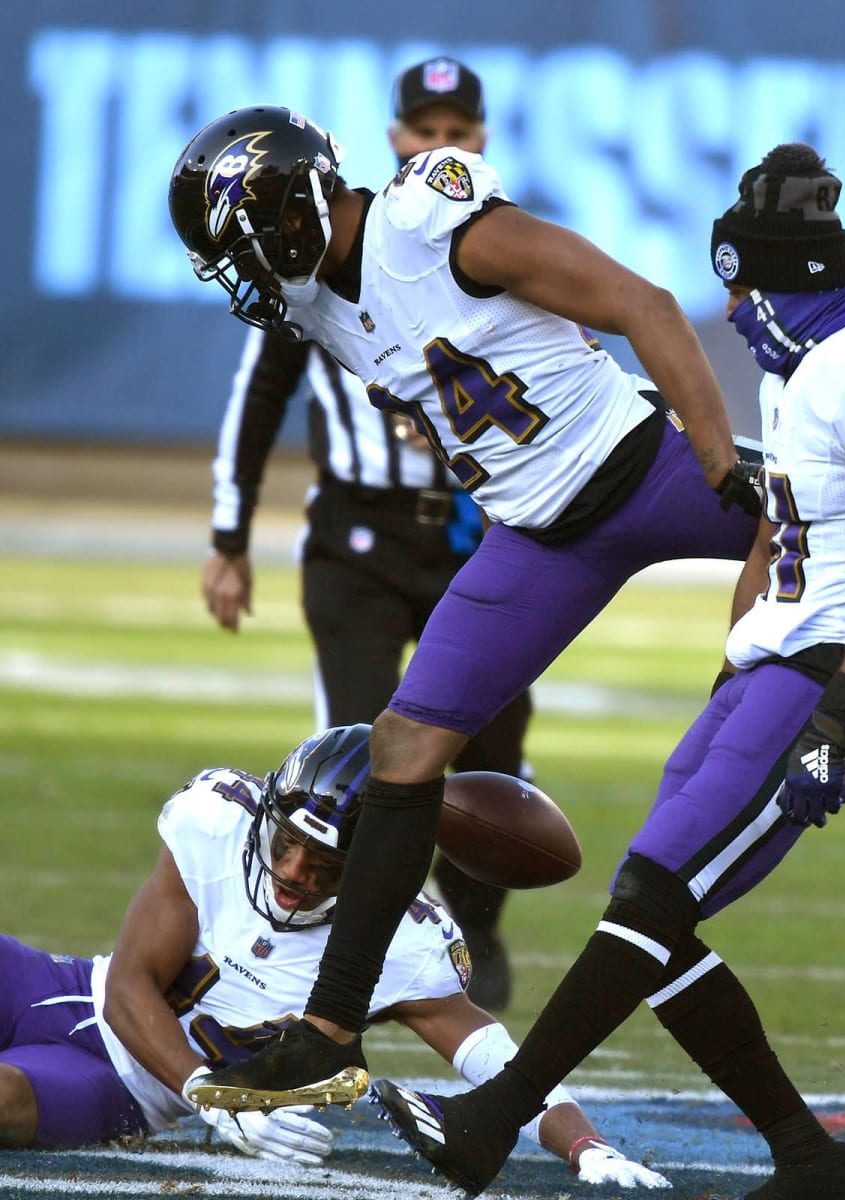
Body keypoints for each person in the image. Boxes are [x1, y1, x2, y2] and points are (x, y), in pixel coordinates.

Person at [365, 141, 845, 1200]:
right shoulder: (809, 369)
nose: (731, 317)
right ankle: (811, 1161)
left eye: (738, 293)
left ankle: (492, 1122)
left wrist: (833, 721)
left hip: (836, 686)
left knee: (649, 893)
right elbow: (781, 547)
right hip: (774, 673)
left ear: (774, 278)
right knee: (655, 912)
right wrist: (735, 669)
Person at [166, 101, 763, 1108]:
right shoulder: (315, 303)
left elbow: (646, 304)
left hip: (640, 465)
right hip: (535, 537)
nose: (253, 278)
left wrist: (719, 464)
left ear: (296, 208)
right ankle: (327, 1030)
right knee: (401, 750)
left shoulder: (428, 217)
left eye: (250, 248)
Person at [0, 724, 669, 1187]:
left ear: (373, 869)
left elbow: (504, 1065)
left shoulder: (403, 944)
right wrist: (214, 1096)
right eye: (285, 844)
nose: (293, 872)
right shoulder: (214, 822)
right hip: (63, 987)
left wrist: (585, 1145)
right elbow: (128, 990)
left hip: (120, 1087)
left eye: (325, 865)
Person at [201, 56, 522, 1012]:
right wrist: (229, 535)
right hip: (358, 541)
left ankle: (474, 934)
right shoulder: (320, 248)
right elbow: (261, 391)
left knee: (496, 755)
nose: (438, 146)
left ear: (479, 141)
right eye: (423, 130)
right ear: (395, 139)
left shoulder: (490, 241)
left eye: (455, 132)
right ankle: (320, 963)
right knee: (357, 753)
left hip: (477, 538)